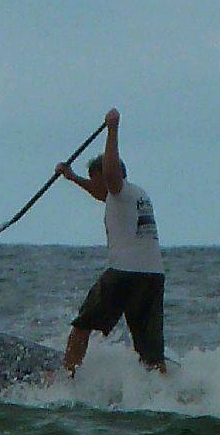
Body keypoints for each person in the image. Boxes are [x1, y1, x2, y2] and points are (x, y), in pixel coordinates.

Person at [55, 108, 166, 373]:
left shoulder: (118, 188)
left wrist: (113, 129)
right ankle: (164, 392)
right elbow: (100, 191)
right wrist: (71, 178)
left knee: (81, 326)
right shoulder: (133, 195)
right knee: (150, 352)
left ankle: (65, 378)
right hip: (152, 276)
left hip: (124, 274)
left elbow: (109, 178)